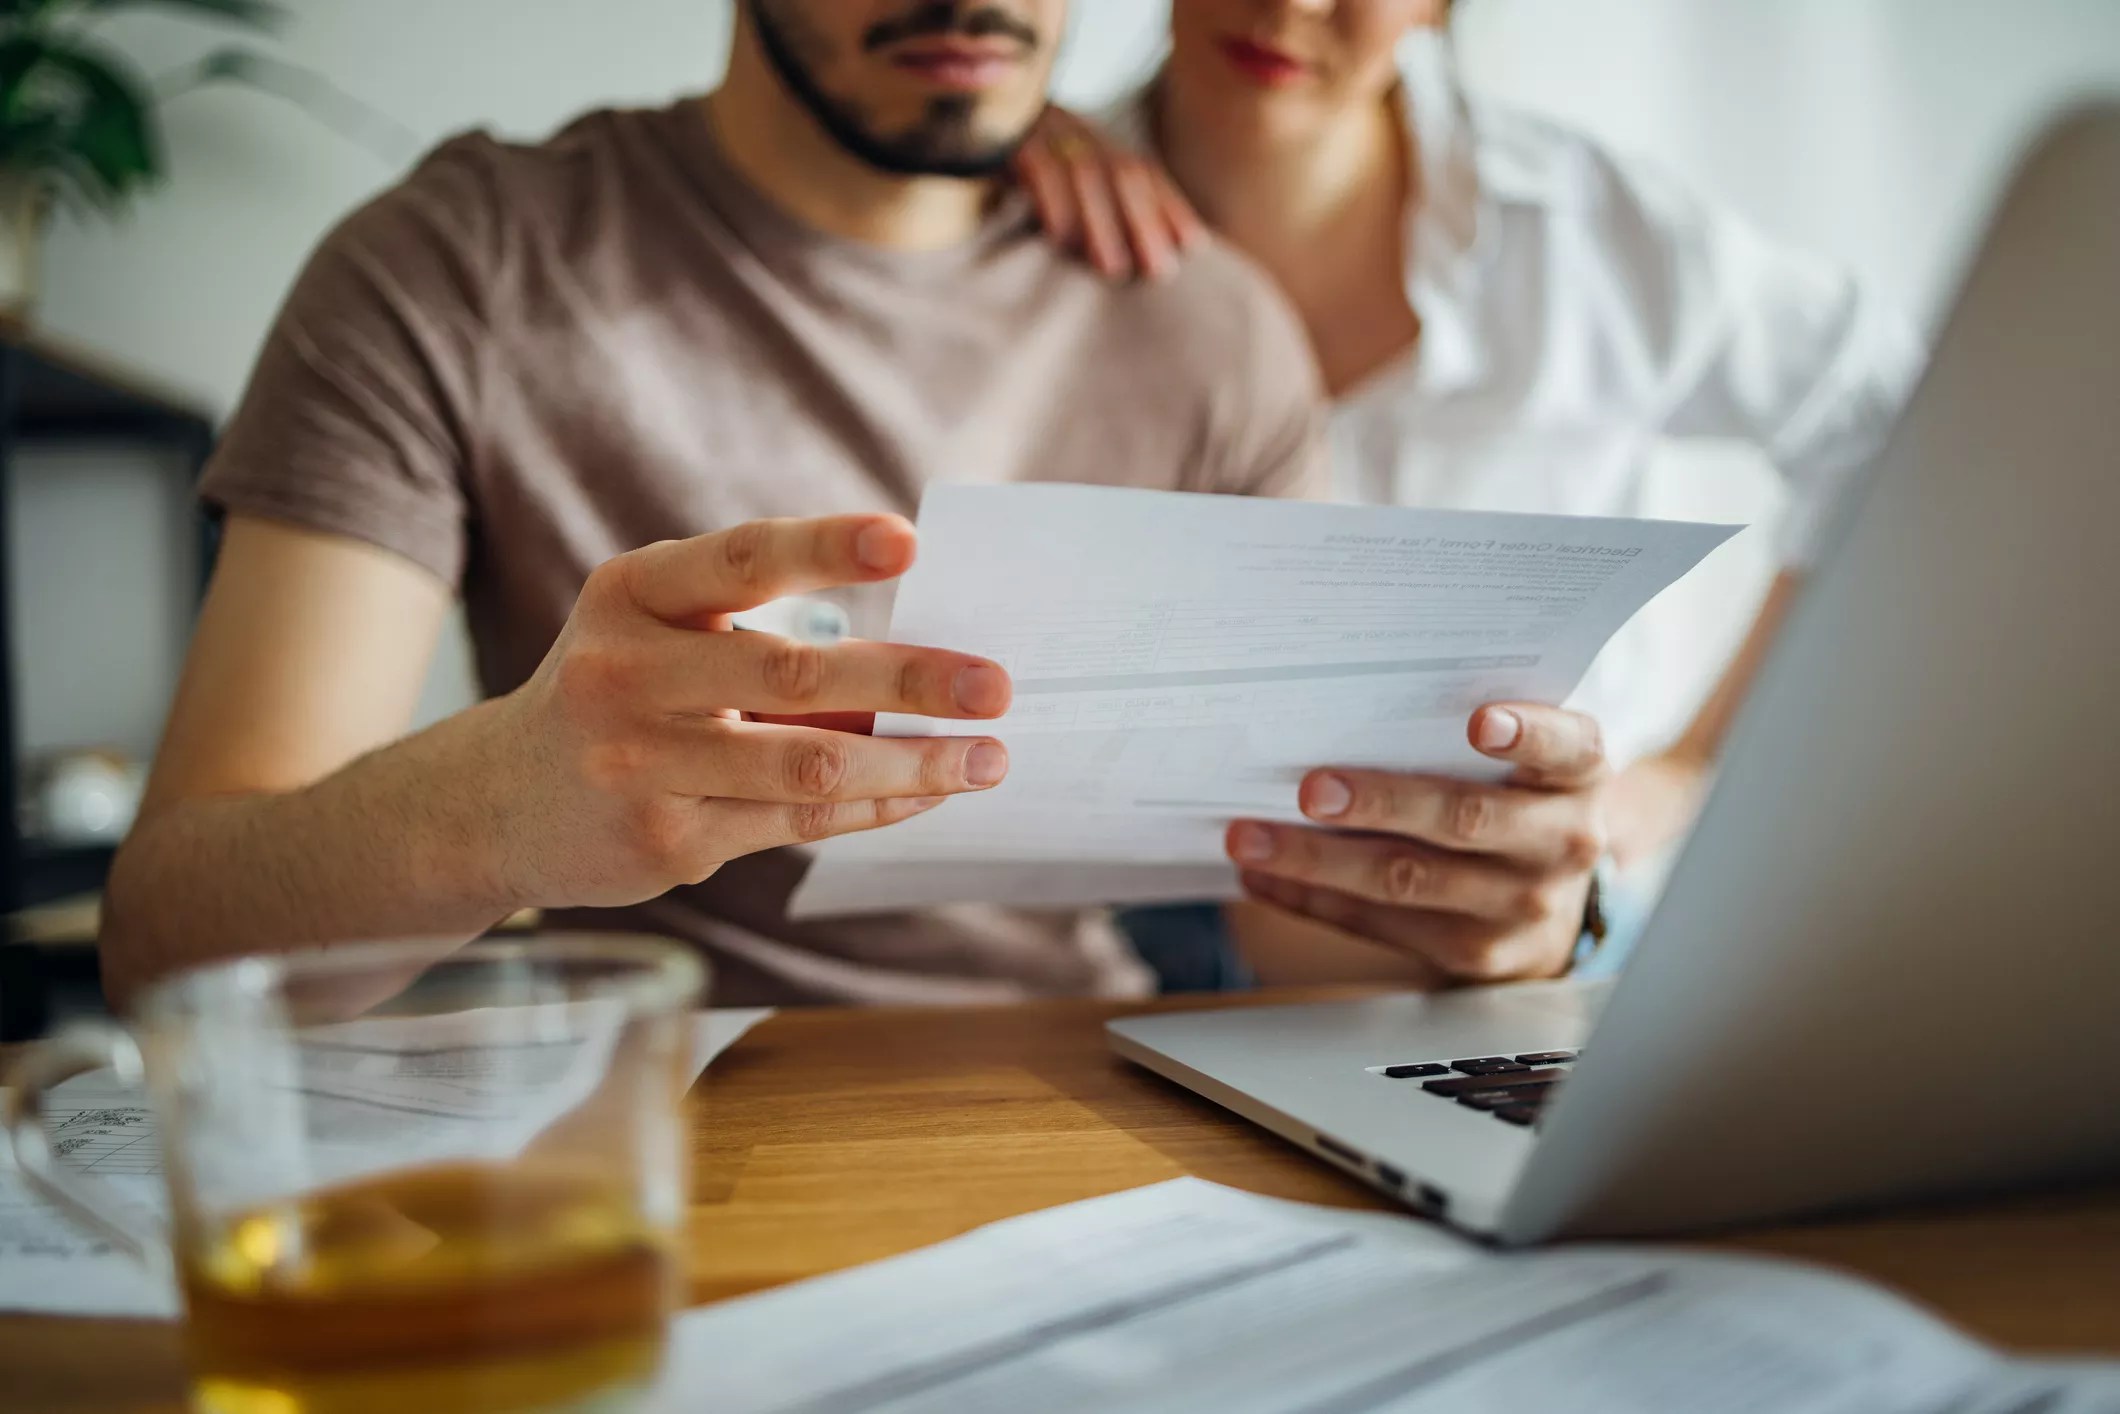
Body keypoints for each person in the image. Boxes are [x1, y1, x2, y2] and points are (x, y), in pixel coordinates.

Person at [101, 0, 1333, 1006]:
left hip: (1080, 1102)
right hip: (649, 1121)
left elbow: (1295, 934)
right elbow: (172, 945)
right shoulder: (455, 268)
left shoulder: (1207, 328)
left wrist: (1494, 925)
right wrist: (500, 806)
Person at [1013, 0, 1923, 989]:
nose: (1288, 6)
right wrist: (983, 138)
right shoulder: (1005, 201)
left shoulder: (1585, 233)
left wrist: (1691, 771)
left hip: (1540, 928)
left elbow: (1894, 419)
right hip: (1116, 948)